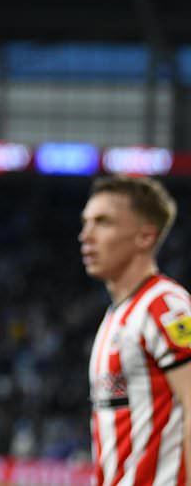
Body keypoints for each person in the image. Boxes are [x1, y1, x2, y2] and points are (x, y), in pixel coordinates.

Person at [82, 175, 191, 485]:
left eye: (103, 223)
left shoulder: (166, 307)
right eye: (86, 222)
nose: (85, 235)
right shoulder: (115, 317)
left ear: (145, 237)